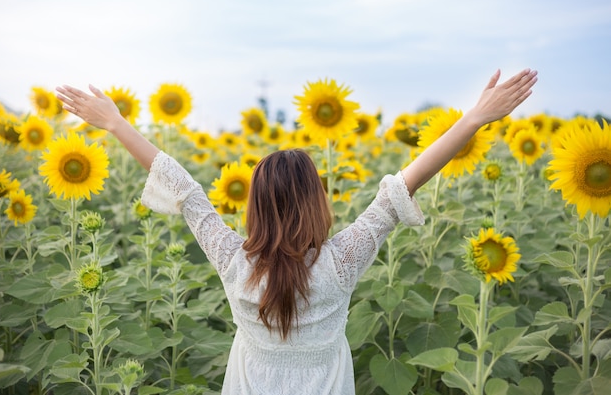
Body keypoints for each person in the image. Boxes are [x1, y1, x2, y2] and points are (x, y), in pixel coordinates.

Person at [56, 68, 538, 395]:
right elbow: (406, 181)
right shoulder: (343, 261)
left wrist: (116, 124)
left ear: (255, 208)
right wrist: (474, 118)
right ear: (318, 204)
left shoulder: (232, 260)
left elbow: (182, 187)